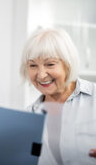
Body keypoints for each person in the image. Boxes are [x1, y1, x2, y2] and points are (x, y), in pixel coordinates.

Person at [20, 28, 96, 165]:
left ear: (68, 64)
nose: (41, 75)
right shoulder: (28, 116)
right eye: (33, 65)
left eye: (50, 64)